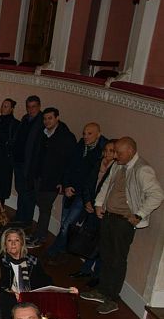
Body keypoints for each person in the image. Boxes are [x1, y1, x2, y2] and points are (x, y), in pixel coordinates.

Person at [83, 137, 163, 315]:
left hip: (123, 222)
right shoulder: (118, 165)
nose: (115, 156)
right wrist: (99, 204)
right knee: (105, 255)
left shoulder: (142, 169)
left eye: (119, 153)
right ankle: (102, 290)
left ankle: (112, 298)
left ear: (130, 151)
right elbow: (107, 185)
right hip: (108, 216)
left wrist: (139, 214)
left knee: (117, 259)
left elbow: (157, 194)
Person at [46, 123, 107, 261]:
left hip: (82, 195)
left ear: (98, 134)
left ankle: (55, 249)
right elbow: (69, 166)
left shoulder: (101, 152)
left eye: (90, 133)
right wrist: (66, 185)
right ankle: (62, 249)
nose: (86, 136)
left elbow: (92, 178)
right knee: (64, 222)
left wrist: (85, 196)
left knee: (67, 224)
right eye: (84, 133)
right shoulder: (79, 147)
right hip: (70, 191)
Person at [27, 107, 78, 248]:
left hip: (53, 181)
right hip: (39, 177)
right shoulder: (42, 134)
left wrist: (63, 182)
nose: (47, 121)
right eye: (45, 119)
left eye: (50, 118)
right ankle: (38, 234)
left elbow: (70, 162)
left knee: (45, 208)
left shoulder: (67, 137)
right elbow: (35, 155)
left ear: (57, 118)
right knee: (41, 206)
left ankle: (40, 237)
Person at [70, 139, 118, 283]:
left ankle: (97, 275)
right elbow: (88, 183)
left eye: (111, 151)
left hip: (105, 211)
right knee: (90, 240)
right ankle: (86, 269)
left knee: (101, 244)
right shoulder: (98, 164)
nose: (107, 153)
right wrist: (88, 201)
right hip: (92, 206)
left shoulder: (117, 168)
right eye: (106, 150)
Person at [14, 95, 44, 224]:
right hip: (19, 161)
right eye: (29, 107)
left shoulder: (42, 122)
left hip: (30, 165)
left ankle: (26, 221)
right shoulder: (25, 119)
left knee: (29, 193)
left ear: (39, 107)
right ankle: (19, 216)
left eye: (34, 107)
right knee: (20, 190)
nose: (31, 109)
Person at [0, 227, 53, 293]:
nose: (13, 243)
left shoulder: (33, 261)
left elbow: (45, 282)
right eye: (9, 240)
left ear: (22, 243)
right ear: (5, 244)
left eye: (17, 240)